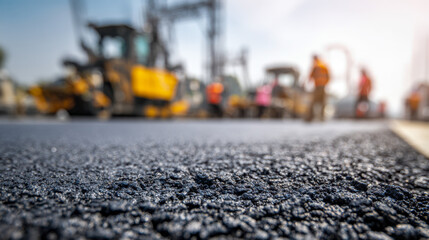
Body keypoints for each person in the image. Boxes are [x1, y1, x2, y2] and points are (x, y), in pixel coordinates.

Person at [307, 55, 330, 121]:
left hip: (318, 86)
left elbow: (310, 76)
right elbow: (328, 76)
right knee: (322, 102)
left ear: (315, 59)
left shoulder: (316, 66)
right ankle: (322, 118)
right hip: (323, 86)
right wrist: (325, 83)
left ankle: (310, 117)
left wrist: (308, 82)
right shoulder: (324, 65)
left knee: (313, 102)